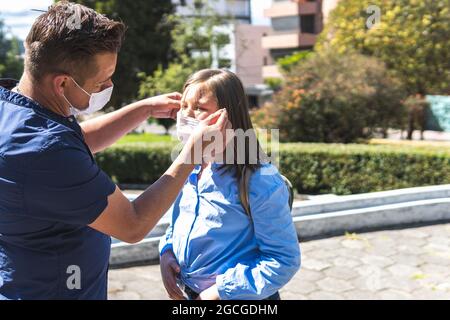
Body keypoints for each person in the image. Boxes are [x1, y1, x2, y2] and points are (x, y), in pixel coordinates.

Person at [0, 2, 228, 300]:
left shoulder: (14, 111)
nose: (110, 85)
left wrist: (143, 109)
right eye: (101, 82)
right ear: (63, 83)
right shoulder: (45, 151)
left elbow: (78, 141)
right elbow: (132, 225)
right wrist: (191, 153)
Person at [159, 69, 300, 300]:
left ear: (229, 117)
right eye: (184, 106)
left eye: (200, 108)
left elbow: (283, 260)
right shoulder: (189, 167)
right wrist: (167, 253)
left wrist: (219, 292)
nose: (187, 115)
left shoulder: (259, 180)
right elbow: (180, 221)